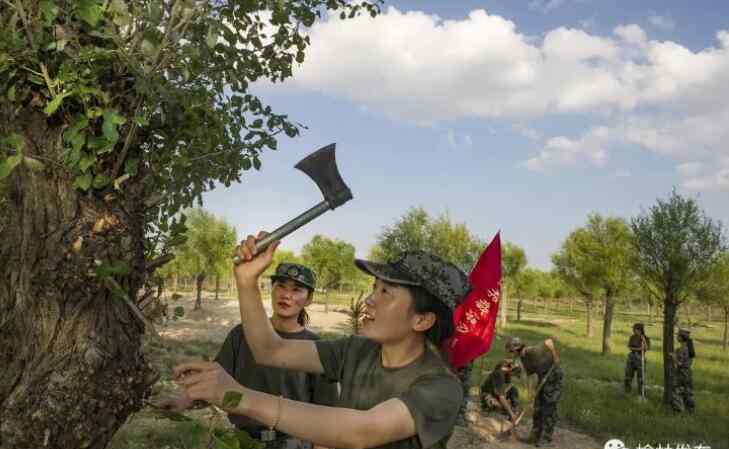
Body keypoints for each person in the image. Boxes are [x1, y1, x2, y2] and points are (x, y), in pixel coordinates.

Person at [172, 234, 470, 449]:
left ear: (422, 320)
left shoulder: (440, 387)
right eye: (374, 288)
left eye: (385, 293)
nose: (368, 300)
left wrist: (239, 397)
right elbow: (270, 349)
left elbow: (362, 432)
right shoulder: (357, 350)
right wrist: (247, 282)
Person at [157, 261, 338, 449]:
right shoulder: (242, 334)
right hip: (241, 440)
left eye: (297, 290)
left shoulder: (317, 348)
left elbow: (326, 414)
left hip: (294, 443)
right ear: (272, 289)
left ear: (309, 299)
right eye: (281, 286)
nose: (286, 295)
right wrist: (183, 401)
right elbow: (217, 381)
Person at [505, 337, 562, 448]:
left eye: (511, 351)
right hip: (542, 378)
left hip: (553, 376)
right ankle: (535, 435)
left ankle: (546, 438)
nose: (511, 354)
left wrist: (555, 357)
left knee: (548, 407)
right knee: (538, 406)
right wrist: (531, 394)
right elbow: (530, 377)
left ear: (516, 349)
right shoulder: (523, 358)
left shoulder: (533, 350)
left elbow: (549, 341)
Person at [671, 328, 696, 413]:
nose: (677, 337)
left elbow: (680, 363)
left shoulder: (683, 349)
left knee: (676, 390)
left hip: (682, 372)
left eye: (678, 335)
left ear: (681, 337)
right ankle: (690, 409)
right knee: (688, 391)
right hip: (688, 372)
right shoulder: (689, 347)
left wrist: (674, 358)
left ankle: (679, 410)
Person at [624, 322, 650, 395]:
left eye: (635, 329)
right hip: (631, 357)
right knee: (628, 375)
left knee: (641, 377)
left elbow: (647, 348)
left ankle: (641, 393)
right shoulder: (632, 337)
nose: (633, 330)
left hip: (640, 358)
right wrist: (639, 348)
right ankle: (627, 391)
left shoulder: (645, 338)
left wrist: (643, 341)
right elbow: (629, 347)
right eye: (633, 329)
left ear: (639, 330)